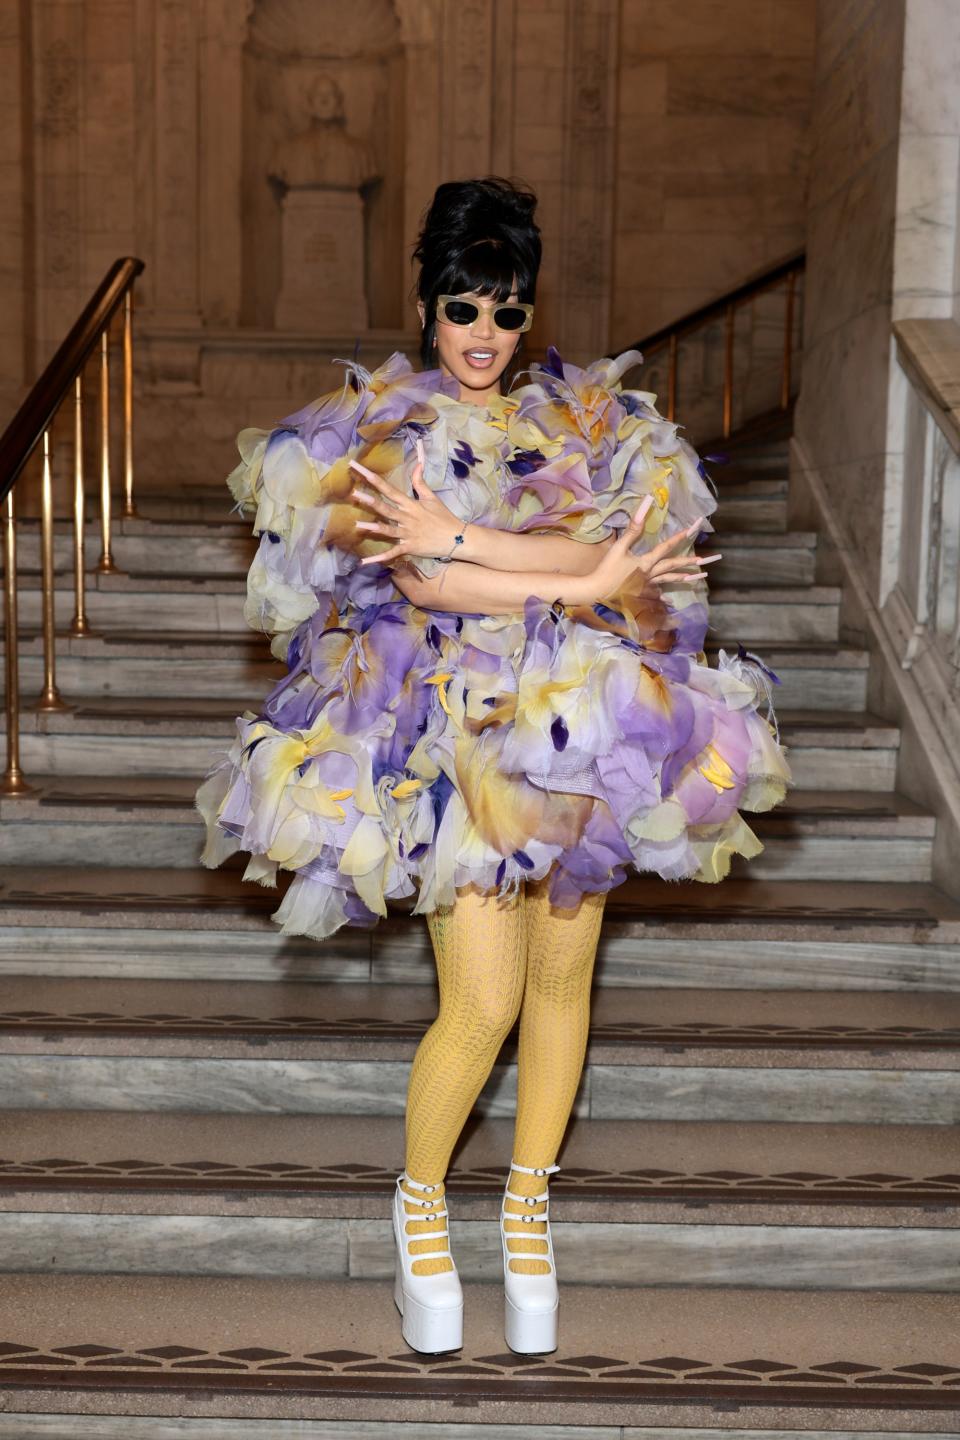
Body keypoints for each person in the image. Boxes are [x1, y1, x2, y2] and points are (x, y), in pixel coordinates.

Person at [196, 175, 792, 1358]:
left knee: (565, 982)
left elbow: (613, 541)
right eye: (464, 309)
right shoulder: (375, 427)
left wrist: (493, 544)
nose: (485, 337)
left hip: (590, 726)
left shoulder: (590, 418)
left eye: (507, 313)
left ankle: (527, 1208)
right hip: (445, 734)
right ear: (428, 309)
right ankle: (421, 1203)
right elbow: (427, 585)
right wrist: (577, 581)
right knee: (483, 1000)